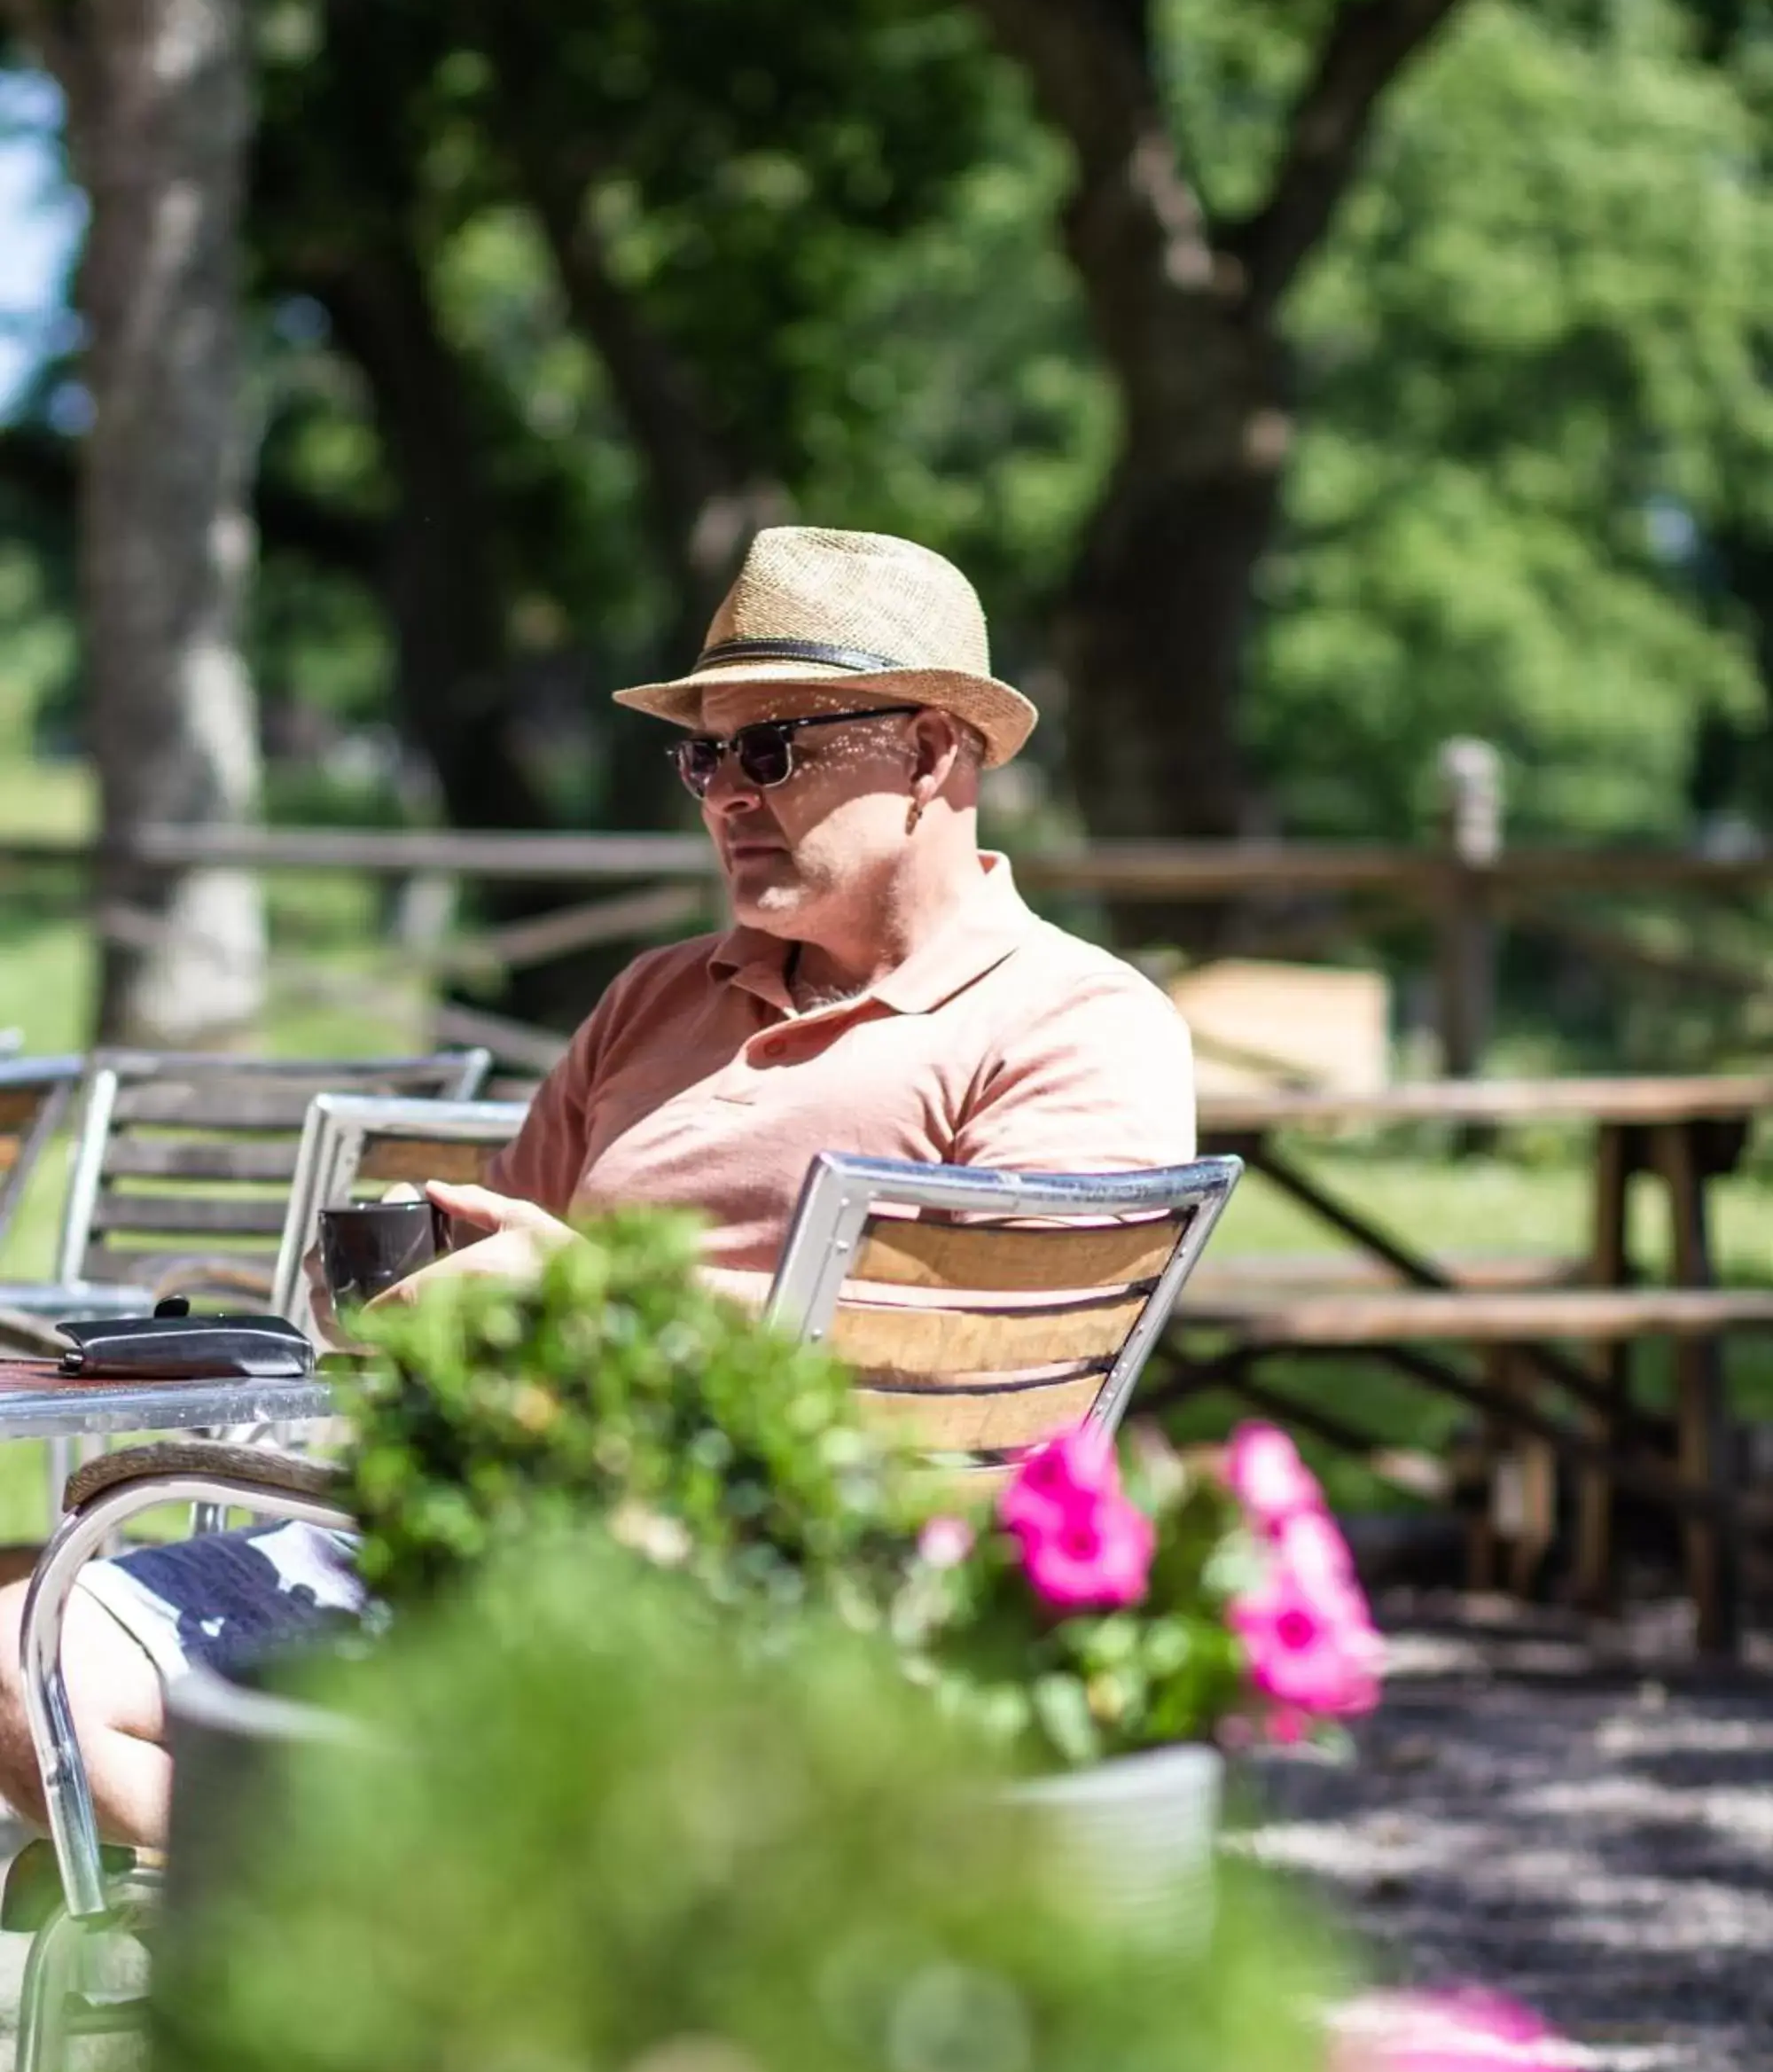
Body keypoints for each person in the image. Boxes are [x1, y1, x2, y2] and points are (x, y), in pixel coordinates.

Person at [0, 527, 1196, 1847]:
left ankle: (394, 1933)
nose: (726, 794)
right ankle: (395, 1910)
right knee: (16, 1660)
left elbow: (968, 1386)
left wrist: (593, 1298)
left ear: (929, 753)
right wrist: (419, 1296)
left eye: (772, 749)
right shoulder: (655, 996)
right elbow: (507, 1263)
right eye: (703, 755)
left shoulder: (1077, 1022)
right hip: (474, 1541)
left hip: (776, 1600)